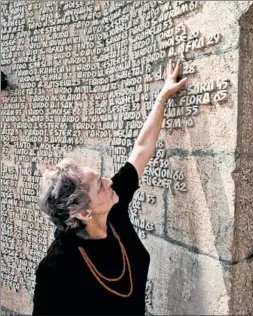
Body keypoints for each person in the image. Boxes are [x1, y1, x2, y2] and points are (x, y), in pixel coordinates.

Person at [32, 59, 187, 315]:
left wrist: (162, 96)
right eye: (98, 186)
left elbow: (141, 149)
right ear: (83, 212)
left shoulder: (112, 205)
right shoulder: (56, 268)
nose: (108, 182)